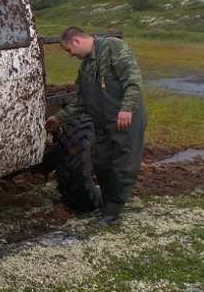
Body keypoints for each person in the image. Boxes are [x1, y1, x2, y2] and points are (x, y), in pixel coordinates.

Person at [45, 27, 146, 226]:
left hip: (125, 121)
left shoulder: (112, 47)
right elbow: (81, 102)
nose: (70, 55)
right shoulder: (85, 68)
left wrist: (127, 108)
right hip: (104, 125)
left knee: (122, 166)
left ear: (76, 40)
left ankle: (112, 214)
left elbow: (133, 80)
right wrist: (58, 118)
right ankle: (108, 208)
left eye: (68, 50)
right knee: (102, 164)